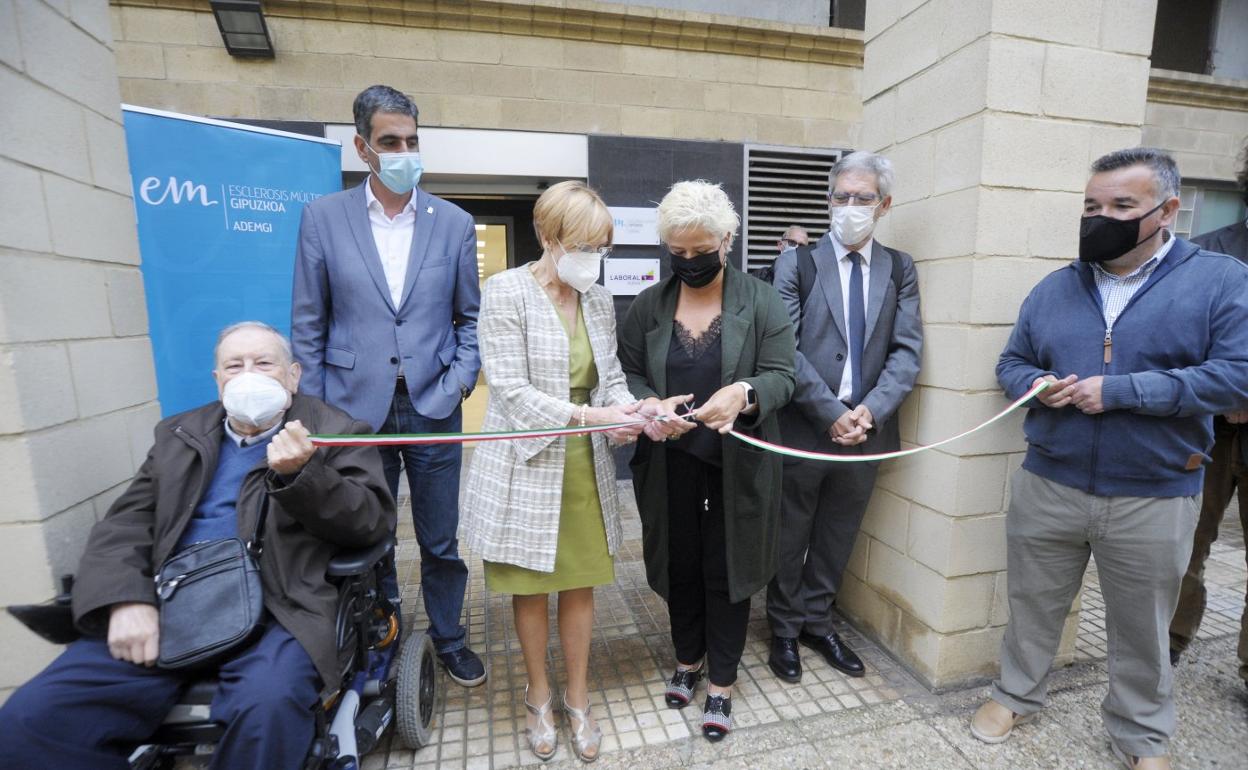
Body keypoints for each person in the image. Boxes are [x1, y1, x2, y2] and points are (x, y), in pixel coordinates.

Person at [0, 322, 395, 770]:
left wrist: (304, 475)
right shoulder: (178, 435)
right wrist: (125, 599)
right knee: (29, 721)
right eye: (235, 366)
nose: (249, 375)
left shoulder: (337, 432)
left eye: (264, 363)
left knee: (266, 709)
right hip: (170, 602)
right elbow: (126, 523)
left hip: (280, 608)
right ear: (218, 379)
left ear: (293, 376)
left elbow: (369, 523)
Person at [973, 148, 1248, 770]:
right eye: (1092, 206)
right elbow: (1012, 362)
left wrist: (1123, 391)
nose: (1102, 218)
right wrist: (1035, 385)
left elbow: (1237, 377)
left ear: (1167, 210)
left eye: (1123, 206)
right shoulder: (1055, 287)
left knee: (1143, 626)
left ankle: (1141, 734)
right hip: (1051, 480)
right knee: (1033, 603)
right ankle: (1015, 694)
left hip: (1155, 489)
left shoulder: (1220, 280)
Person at [291, 84, 486, 686]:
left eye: (412, 141)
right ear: (363, 148)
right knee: (370, 534)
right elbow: (308, 323)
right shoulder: (323, 218)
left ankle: (450, 638)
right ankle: (386, 633)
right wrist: (316, 412)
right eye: (390, 142)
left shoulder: (453, 223)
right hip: (354, 409)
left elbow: (470, 318)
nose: (404, 152)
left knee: (441, 538)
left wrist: (459, 381)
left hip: (433, 403)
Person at [461, 181, 643, 763]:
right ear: (547, 235)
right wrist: (592, 415)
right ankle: (538, 695)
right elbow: (510, 389)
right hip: (526, 458)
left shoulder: (598, 299)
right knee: (531, 587)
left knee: (580, 583)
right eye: (583, 246)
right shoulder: (505, 291)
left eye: (601, 248)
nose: (593, 258)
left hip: (583, 463)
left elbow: (610, 377)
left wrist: (632, 412)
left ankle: (578, 696)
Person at [618, 180, 795, 742]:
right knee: (681, 563)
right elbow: (629, 372)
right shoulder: (649, 304)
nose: (689, 261)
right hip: (669, 460)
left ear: (726, 241)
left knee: (727, 567)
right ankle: (687, 659)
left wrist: (744, 393)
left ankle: (722, 681)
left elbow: (782, 375)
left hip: (736, 463)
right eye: (678, 251)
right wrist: (650, 404)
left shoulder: (760, 300)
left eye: (700, 250)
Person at [765, 151, 922, 685]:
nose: (850, 206)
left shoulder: (899, 268)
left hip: (867, 431)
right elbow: (783, 349)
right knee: (790, 533)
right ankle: (784, 628)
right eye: (842, 196)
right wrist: (831, 412)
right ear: (829, 200)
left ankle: (817, 621)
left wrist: (870, 411)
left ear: (884, 205)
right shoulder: (797, 264)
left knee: (838, 533)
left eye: (863, 198)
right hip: (804, 426)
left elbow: (907, 352)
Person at [1169, 143, 1248, 688]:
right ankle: (1168, 642)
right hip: (1209, 430)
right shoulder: (1208, 253)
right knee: (1187, 544)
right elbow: (1179, 343)